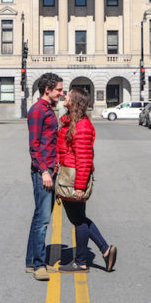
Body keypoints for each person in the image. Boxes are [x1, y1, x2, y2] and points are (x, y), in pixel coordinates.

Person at [57, 88, 117, 273]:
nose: (64, 96)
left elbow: (84, 159)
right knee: (79, 219)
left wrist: (80, 187)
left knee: (78, 220)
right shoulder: (70, 122)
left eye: (68, 95)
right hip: (69, 176)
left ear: (75, 101)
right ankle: (104, 251)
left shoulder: (81, 125)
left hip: (73, 179)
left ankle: (83, 261)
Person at [26, 72, 64, 281]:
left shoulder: (49, 110)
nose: (61, 92)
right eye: (58, 89)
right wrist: (44, 172)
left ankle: (31, 261)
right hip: (43, 171)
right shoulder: (37, 111)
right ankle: (39, 265)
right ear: (47, 89)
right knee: (42, 221)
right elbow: (34, 147)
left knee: (38, 218)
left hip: (51, 169)